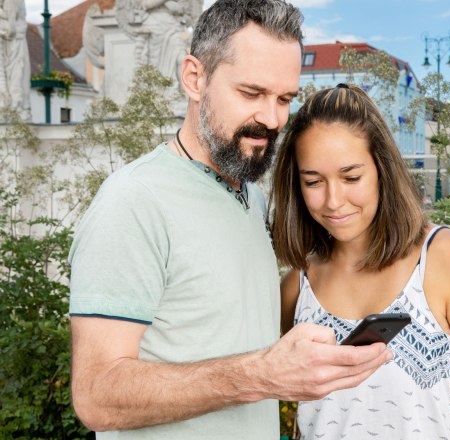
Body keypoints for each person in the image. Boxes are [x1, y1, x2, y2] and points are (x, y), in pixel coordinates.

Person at [68, 2, 391, 438]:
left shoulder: (250, 197)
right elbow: (97, 396)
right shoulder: (134, 201)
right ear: (194, 78)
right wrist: (261, 375)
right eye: (251, 93)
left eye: (284, 99)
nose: (272, 119)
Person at [271, 84, 450, 439]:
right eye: (313, 181)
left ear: (382, 169)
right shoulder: (297, 285)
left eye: (351, 177)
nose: (333, 200)